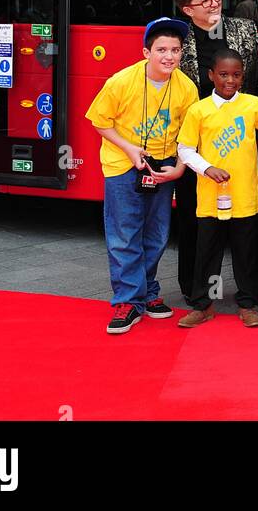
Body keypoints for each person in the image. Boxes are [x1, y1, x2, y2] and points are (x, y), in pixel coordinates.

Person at [172, 0, 258, 311]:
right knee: (195, 218)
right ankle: (196, 289)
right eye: (204, 0)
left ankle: (254, 290)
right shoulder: (178, 39)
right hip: (197, 140)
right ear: (188, 10)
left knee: (248, 220)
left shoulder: (245, 30)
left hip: (239, 141)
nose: (214, 2)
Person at [87, 18, 199, 334]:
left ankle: (146, 293)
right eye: (161, 49)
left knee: (157, 234)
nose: (169, 56)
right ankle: (127, 300)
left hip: (162, 165)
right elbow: (99, 121)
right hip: (123, 163)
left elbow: (188, 136)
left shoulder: (186, 87)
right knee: (125, 234)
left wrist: (179, 166)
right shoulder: (121, 82)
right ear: (146, 52)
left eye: (175, 50)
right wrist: (129, 148)